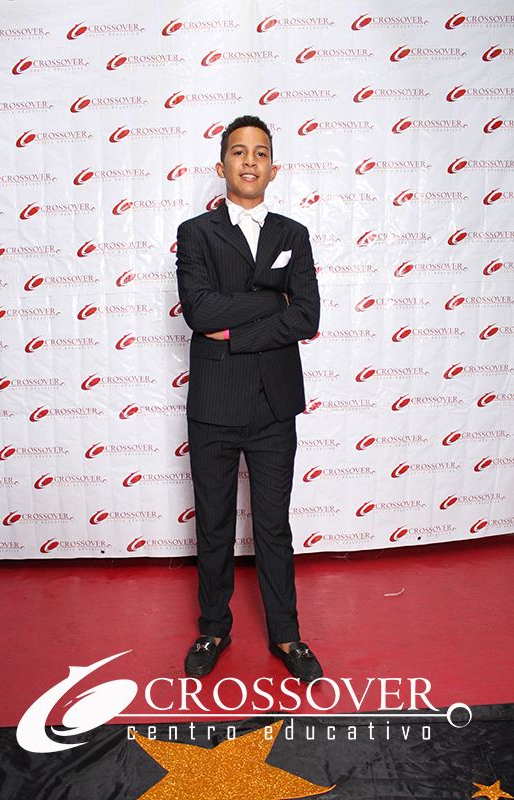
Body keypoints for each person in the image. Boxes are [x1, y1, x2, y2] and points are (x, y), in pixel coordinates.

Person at [176, 115, 322, 683]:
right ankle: (214, 627)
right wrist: (270, 303)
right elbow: (200, 312)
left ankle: (286, 633)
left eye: (261, 152)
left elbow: (306, 317)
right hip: (214, 405)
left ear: (273, 168)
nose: (250, 160)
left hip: (273, 404)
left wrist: (235, 331)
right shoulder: (196, 233)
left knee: (273, 526)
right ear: (222, 166)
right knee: (213, 524)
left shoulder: (293, 234)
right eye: (239, 151)